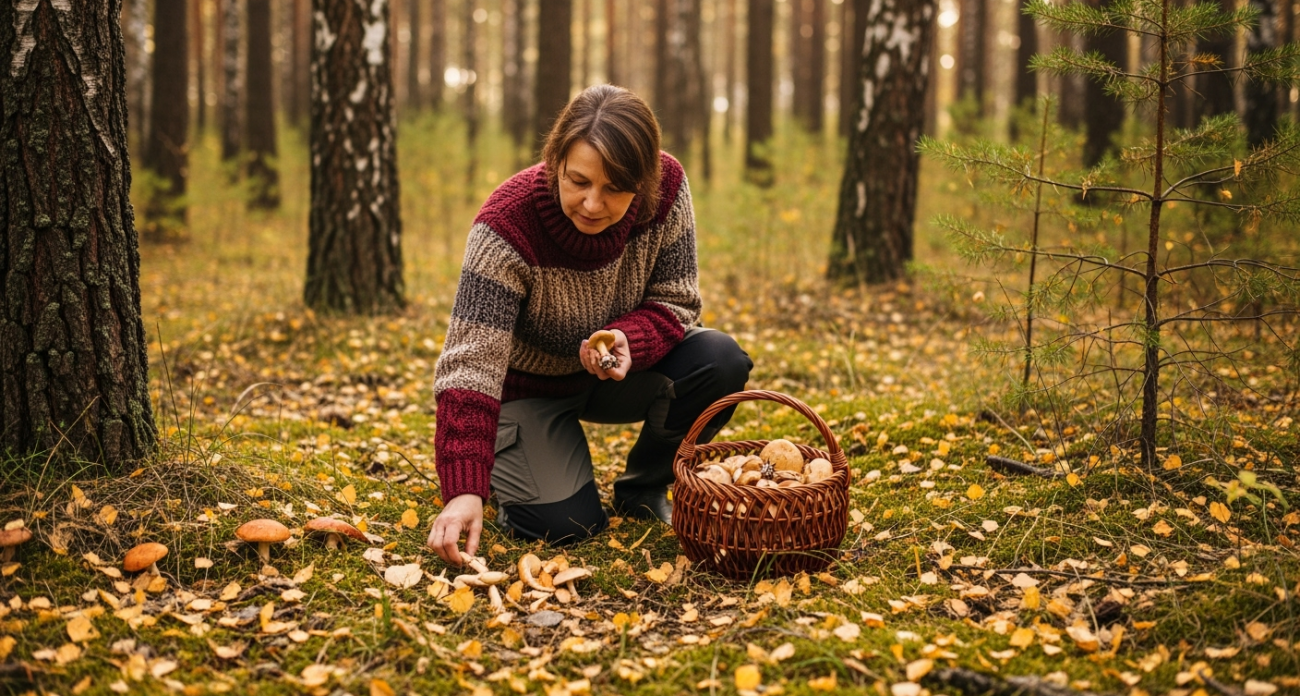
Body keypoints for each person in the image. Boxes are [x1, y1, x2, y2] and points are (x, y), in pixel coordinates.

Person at [425, 84, 752, 565]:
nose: (593, 204)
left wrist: (628, 339)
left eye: (615, 189)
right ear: (555, 160)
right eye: (578, 181)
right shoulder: (505, 226)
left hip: (615, 379)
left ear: (644, 183)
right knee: (566, 527)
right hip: (527, 391)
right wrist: (463, 488)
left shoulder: (668, 190)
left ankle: (644, 489)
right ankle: (517, 472)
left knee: (720, 360)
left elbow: (678, 300)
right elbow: (470, 366)